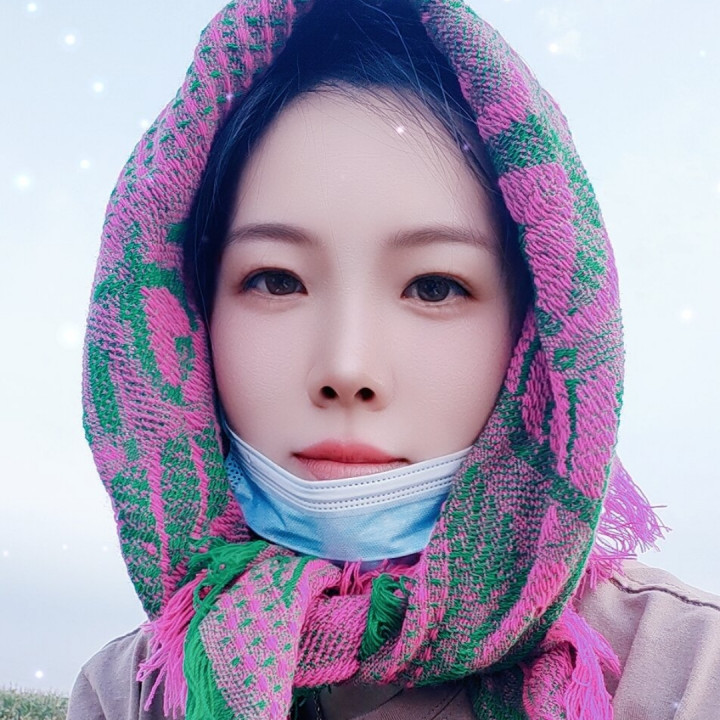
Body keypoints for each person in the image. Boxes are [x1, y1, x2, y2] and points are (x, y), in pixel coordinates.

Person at [67, 0, 720, 718]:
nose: (347, 370)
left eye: (434, 286)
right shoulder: (128, 693)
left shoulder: (687, 673)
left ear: (534, 335)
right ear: (183, 317)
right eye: (277, 280)